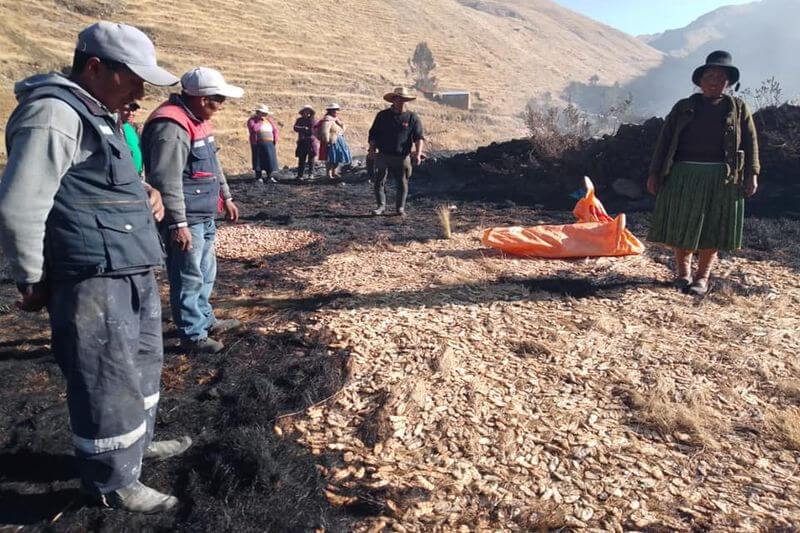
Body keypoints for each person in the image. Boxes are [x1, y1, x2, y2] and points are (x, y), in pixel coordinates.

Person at [0, 22, 191, 513]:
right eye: (133, 77)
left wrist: (144, 192)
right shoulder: (53, 115)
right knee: (105, 377)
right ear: (94, 67)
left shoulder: (100, 114)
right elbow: (22, 204)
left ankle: (135, 448)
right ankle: (111, 482)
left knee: (142, 367)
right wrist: (31, 276)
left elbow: (101, 180)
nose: (142, 90)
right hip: (91, 275)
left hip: (128, 266)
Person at [141, 67, 243, 354]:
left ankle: (205, 318)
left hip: (204, 213)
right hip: (187, 217)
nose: (222, 105)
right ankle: (192, 334)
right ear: (201, 98)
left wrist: (227, 196)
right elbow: (165, 179)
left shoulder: (198, 119)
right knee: (187, 275)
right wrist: (178, 224)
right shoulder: (171, 127)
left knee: (206, 272)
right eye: (219, 99)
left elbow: (213, 164)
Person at [647, 51, 759, 296]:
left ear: (728, 83)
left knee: (712, 227)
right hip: (683, 174)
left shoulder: (738, 109)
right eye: (709, 76)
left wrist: (752, 174)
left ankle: (702, 277)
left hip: (722, 177)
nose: (714, 81)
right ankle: (683, 274)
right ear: (699, 81)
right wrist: (654, 173)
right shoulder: (684, 107)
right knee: (681, 223)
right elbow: (664, 141)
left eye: (721, 77)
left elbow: (750, 142)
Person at [368, 87, 425, 216]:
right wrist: (372, 149)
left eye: (404, 99)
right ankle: (381, 207)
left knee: (403, 182)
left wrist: (418, 153)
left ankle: (400, 208)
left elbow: (419, 137)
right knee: (379, 181)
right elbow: (373, 134)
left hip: (402, 156)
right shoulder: (382, 115)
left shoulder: (412, 117)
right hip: (383, 154)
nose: (401, 102)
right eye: (399, 99)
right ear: (393, 100)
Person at [316, 103, 352, 180]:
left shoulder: (335, 119)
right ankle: (328, 174)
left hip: (338, 140)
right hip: (331, 141)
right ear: (331, 111)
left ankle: (334, 172)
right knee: (330, 158)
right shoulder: (327, 119)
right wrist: (327, 141)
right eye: (335, 110)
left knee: (337, 157)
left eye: (337, 110)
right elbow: (325, 131)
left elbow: (342, 128)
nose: (337, 112)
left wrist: (341, 124)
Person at [247, 104, 279, 183]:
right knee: (258, 160)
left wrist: (275, 139)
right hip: (258, 143)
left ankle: (270, 177)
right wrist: (260, 121)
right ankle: (258, 177)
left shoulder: (269, 120)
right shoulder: (252, 120)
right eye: (263, 113)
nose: (265, 115)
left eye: (265, 113)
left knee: (270, 159)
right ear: (258, 112)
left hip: (269, 143)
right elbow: (254, 129)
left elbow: (275, 130)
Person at [293, 104, 318, 180]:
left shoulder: (313, 120)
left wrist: (304, 129)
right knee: (301, 159)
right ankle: (300, 175)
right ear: (303, 112)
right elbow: (295, 127)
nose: (307, 113)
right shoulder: (299, 120)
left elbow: (312, 130)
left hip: (311, 142)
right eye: (305, 111)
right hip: (302, 142)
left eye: (308, 111)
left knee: (311, 160)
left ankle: (311, 174)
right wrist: (303, 128)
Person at [119, 101, 143, 175]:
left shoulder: (131, 127)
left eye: (133, 110)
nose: (131, 113)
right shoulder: (115, 127)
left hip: (136, 175)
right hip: (125, 175)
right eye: (126, 110)